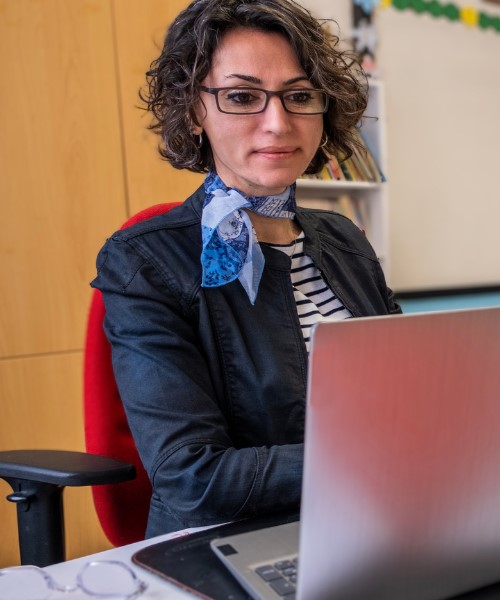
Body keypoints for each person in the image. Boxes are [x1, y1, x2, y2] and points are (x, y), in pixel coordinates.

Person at [91, 0, 399, 538]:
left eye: (300, 96)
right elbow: (192, 477)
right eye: (241, 97)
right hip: (228, 540)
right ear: (193, 111)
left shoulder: (346, 239)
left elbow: (411, 385)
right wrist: (376, 458)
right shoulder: (141, 261)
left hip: (373, 517)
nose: (278, 123)